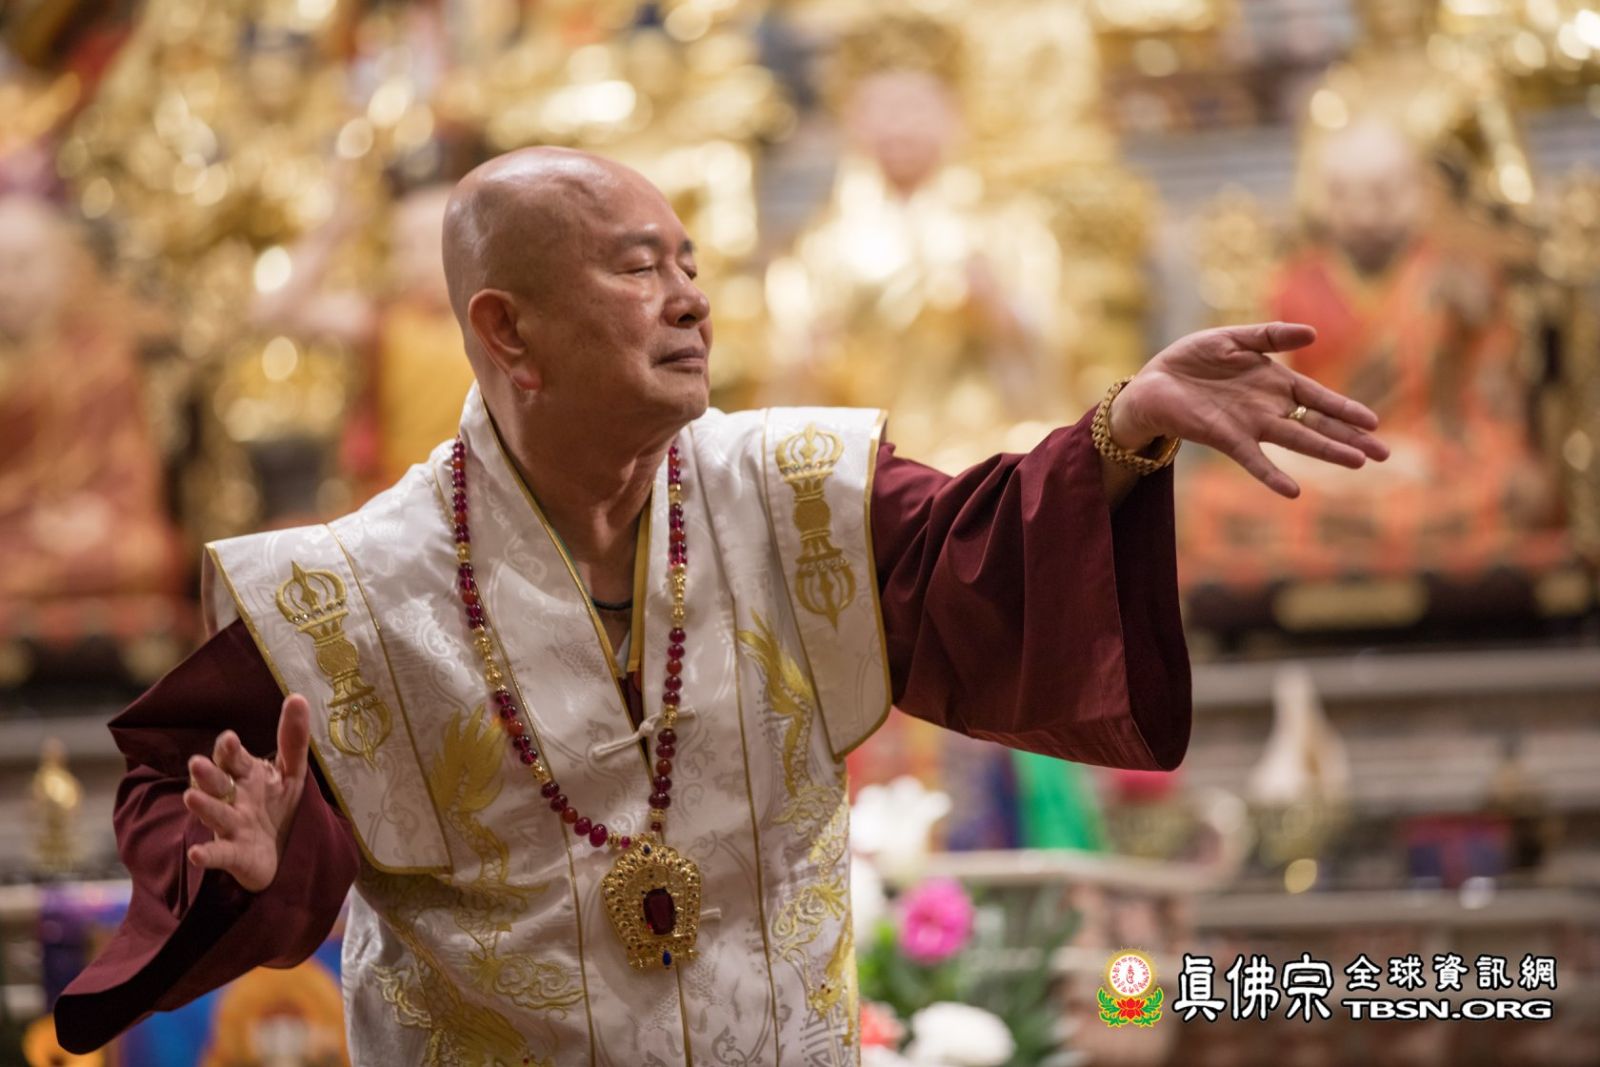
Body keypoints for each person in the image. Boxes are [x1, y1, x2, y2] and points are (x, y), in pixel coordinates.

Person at [55, 147, 1386, 1063]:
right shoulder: (350, 589)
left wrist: (1122, 432)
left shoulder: (794, 493)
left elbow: (978, 558)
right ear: (509, 332)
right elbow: (204, 800)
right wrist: (249, 863)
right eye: (639, 268)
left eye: (688, 261)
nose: (692, 297)